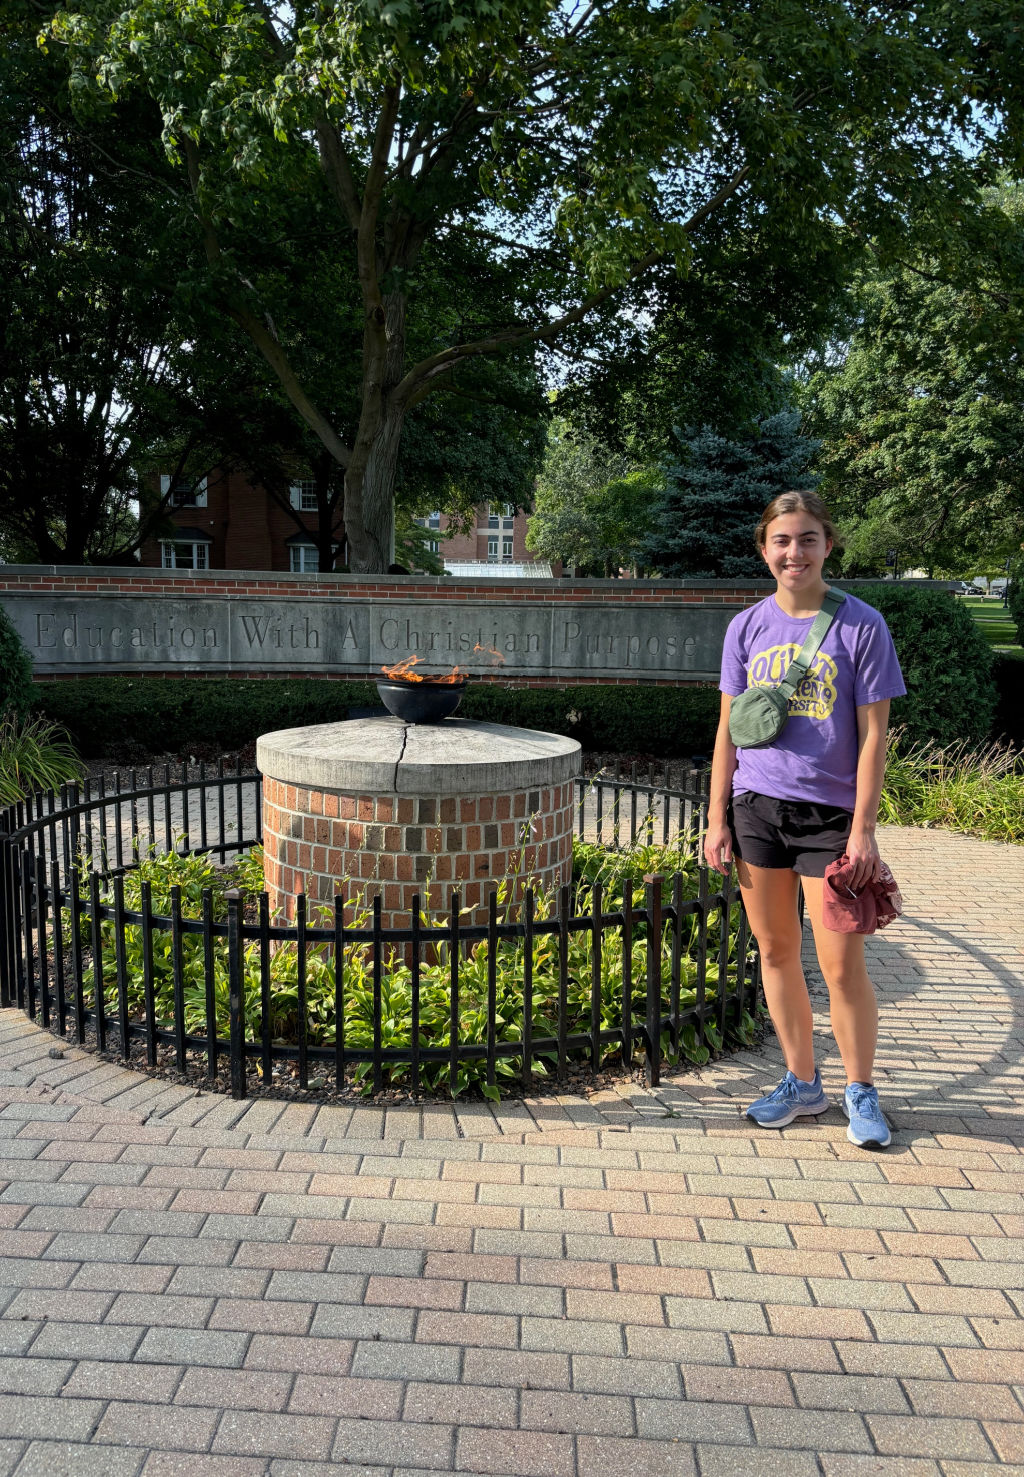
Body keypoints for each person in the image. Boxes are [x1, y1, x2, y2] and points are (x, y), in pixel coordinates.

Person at [703, 490, 906, 1149]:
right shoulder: (746, 628)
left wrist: (863, 829)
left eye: (808, 539)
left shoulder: (861, 624)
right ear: (764, 549)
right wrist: (717, 817)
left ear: (828, 543)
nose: (795, 552)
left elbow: (874, 734)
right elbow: (728, 730)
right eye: (782, 541)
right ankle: (802, 1081)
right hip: (757, 807)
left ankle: (861, 1090)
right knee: (776, 949)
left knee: (842, 964)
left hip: (831, 816)